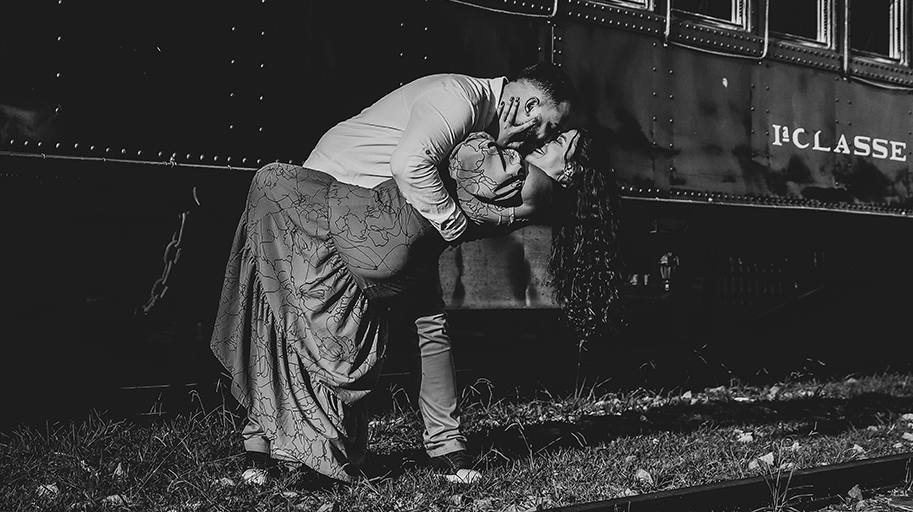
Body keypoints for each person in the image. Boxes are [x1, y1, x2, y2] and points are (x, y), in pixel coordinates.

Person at [210, 127, 623, 483]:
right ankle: (447, 448)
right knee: (426, 327)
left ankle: (261, 443)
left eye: (558, 141)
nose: (543, 137)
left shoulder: (533, 183)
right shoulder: (529, 187)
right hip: (410, 244)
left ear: (571, 170)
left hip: (382, 231)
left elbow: (463, 158)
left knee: (280, 300)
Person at [297, 65, 576, 483]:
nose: (542, 139)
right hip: (336, 202)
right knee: (335, 327)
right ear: (531, 106)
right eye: (548, 128)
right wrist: (452, 225)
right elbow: (410, 163)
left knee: (424, 322)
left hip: (380, 216)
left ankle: (443, 448)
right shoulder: (460, 98)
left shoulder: (484, 122)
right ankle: (431, 448)